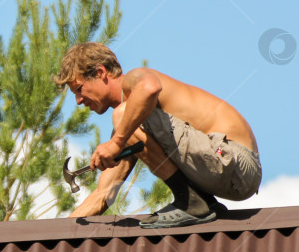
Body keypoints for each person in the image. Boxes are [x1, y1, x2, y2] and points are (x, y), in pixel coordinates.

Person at [53, 42, 261, 228]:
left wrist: (116, 143)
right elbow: (102, 195)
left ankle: (190, 202)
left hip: (234, 160)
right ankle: (195, 201)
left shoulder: (135, 79)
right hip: (226, 177)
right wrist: (55, 234)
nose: (79, 100)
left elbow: (151, 88)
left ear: (100, 72)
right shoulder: (130, 129)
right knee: (124, 120)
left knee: (123, 114)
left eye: (79, 89)